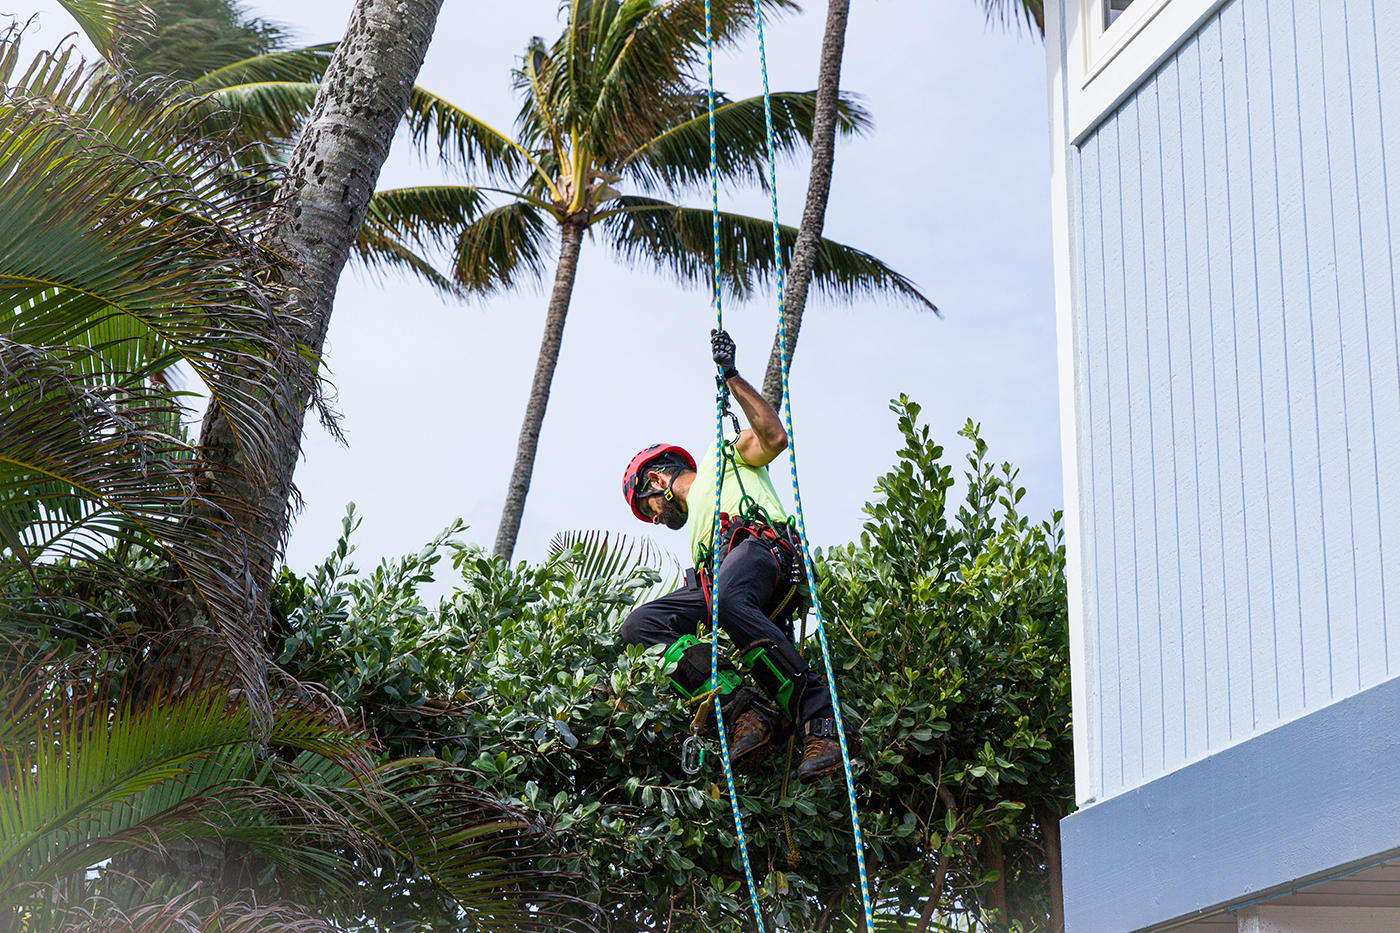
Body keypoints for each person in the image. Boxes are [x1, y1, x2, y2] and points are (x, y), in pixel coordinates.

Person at [618, 329, 842, 782]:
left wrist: (732, 377)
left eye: (649, 509)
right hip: (717, 579)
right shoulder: (697, 538)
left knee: (724, 599)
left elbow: (774, 436)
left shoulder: (722, 459)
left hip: (763, 550)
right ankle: (745, 708)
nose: (656, 520)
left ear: (656, 480)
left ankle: (821, 720)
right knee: (640, 626)